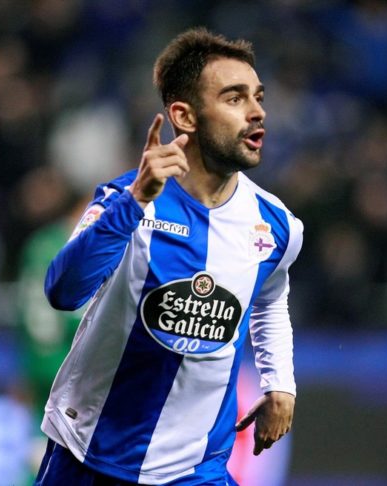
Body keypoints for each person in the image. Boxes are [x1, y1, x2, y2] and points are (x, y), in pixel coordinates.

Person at [34, 27, 303, 486]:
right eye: (235, 98)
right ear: (185, 116)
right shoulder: (125, 198)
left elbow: (270, 297)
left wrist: (280, 382)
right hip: (89, 453)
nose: (257, 111)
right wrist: (135, 201)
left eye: (258, 97)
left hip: (197, 469)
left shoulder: (277, 225)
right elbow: (63, 291)